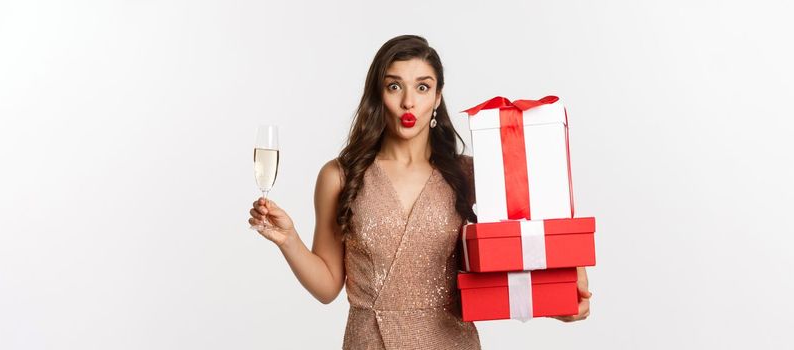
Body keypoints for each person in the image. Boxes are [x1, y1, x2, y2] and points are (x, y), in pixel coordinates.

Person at [248, 35, 591, 350]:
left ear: (438, 98)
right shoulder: (339, 176)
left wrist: (561, 295)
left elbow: (534, 232)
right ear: (377, 95)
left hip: (451, 340)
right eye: (394, 86)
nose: (408, 101)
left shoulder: (469, 173)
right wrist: (288, 239)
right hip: (370, 340)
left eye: (422, 87)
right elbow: (327, 287)